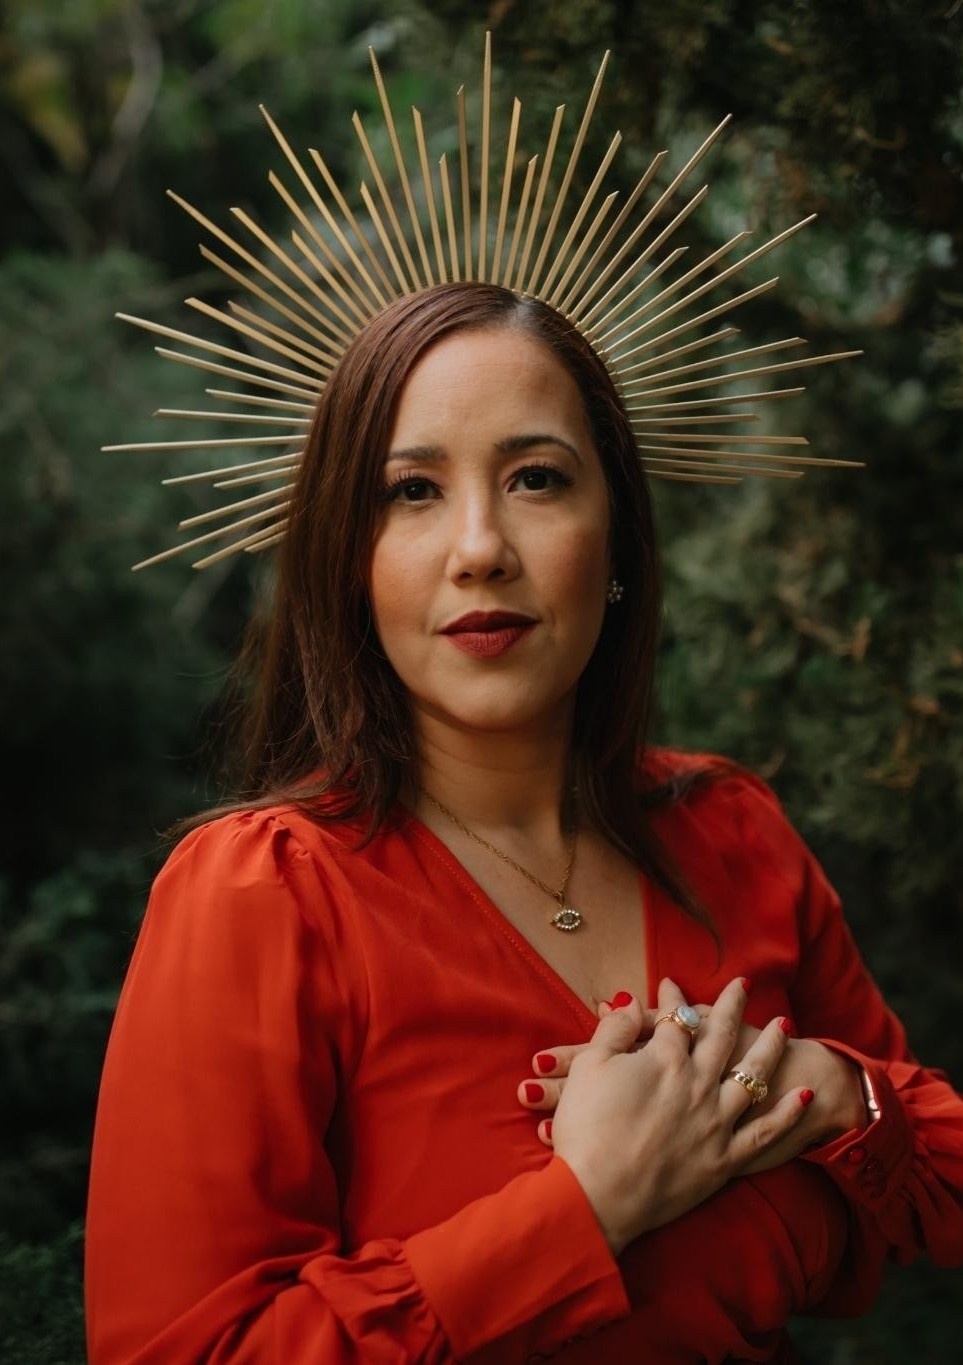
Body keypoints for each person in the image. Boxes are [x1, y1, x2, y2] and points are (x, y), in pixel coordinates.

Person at [85, 281, 963, 1363]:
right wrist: (588, 1207)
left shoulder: (729, 833)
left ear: (618, 537)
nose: (479, 548)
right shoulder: (265, 894)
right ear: (350, 559)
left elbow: (934, 1180)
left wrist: (832, 1092)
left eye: (535, 478)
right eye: (411, 490)